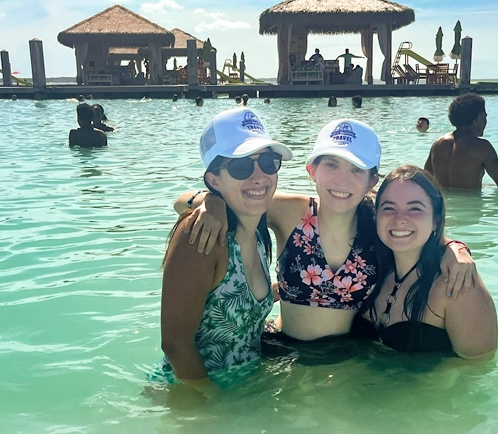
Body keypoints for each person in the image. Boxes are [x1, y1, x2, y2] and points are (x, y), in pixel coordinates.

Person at [176, 118, 476, 342]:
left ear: (371, 182)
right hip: (281, 350)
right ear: (312, 170)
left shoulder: (376, 222)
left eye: (356, 170)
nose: (341, 181)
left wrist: (455, 248)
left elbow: (419, 232)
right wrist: (209, 202)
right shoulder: (291, 211)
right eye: (331, 165)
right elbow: (189, 201)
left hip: (344, 357)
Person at [151, 107, 292, 390]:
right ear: (214, 180)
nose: (258, 176)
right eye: (241, 166)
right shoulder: (202, 236)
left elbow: (228, 302)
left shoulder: (258, 229)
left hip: (247, 388)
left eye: (267, 162)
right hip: (195, 393)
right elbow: (175, 344)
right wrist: (209, 404)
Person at [355, 166, 497, 356]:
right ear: (377, 215)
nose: (400, 219)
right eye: (389, 208)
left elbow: (477, 369)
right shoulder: (369, 265)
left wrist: (456, 249)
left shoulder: (458, 283)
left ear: (435, 220)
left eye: (415, 208)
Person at [423, 93, 498, 190]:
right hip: (471, 203)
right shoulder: (482, 147)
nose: (485, 121)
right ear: (478, 119)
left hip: (443, 204)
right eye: (484, 117)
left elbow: (425, 180)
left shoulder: (438, 144)